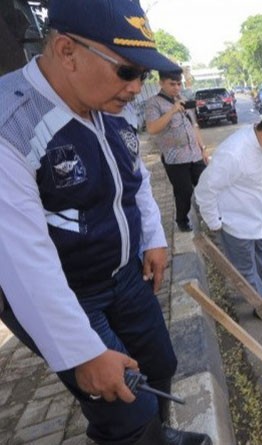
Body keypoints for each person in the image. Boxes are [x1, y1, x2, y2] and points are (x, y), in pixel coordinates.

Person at [0, 0, 212, 444]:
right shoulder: (11, 126)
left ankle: (161, 433)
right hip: (69, 291)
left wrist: (153, 237)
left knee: (160, 364)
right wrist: (81, 352)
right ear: (66, 51)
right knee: (123, 409)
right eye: (127, 71)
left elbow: (133, 180)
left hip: (125, 273)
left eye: (143, 75)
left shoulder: (114, 108)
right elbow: (22, 261)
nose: (137, 88)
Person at [194, 106, 262, 316]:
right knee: (245, 271)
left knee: (261, 254)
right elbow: (204, 190)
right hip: (235, 224)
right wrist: (214, 223)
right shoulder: (234, 153)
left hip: (257, 216)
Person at [144, 70, 208, 232]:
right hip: (175, 158)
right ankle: (182, 220)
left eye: (178, 84)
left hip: (195, 154)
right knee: (184, 192)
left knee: (206, 185)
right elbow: (152, 128)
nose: (176, 88)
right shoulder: (154, 103)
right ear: (161, 83)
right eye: (172, 84)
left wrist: (203, 148)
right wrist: (172, 111)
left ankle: (207, 217)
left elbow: (194, 126)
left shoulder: (183, 100)